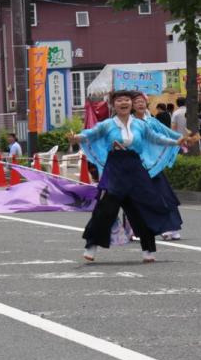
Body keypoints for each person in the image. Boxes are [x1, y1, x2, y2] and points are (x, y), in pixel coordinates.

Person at [71, 90, 187, 262]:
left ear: (131, 104)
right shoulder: (107, 125)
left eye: (127, 100)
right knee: (106, 209)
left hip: (135, 169)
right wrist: (76, 138)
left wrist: (176, 141)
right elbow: (90, 134)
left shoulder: (140, 124)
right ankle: (91, 246)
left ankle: (148, 250)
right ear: (113, 105)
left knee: (143, 209)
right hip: (115, 169)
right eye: (119, 100)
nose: (124, 103)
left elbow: (156, 138)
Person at [133, 92, 186, 240]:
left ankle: (172, 227)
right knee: (139, 198)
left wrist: (183, 139)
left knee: (164, 195)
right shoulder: (129, 124)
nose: (140, 104)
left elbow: (167, 133)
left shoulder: (152, 122)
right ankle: (137, 228)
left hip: (153, 164)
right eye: (136, 102)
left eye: (142, 101)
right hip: (136, 164)